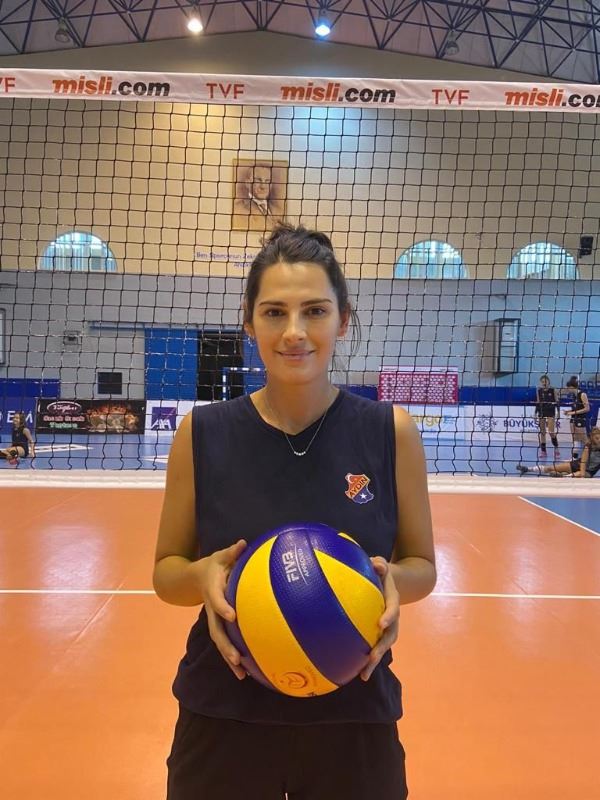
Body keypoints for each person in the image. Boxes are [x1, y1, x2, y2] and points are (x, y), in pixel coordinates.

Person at [154, 223, 436, 800]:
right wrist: (203, 575)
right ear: (249, 322)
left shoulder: (391, 431)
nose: (294, 332)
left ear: (343, 320)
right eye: (274, 312)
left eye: (315, 311)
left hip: (354, 711)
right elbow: (166, 572)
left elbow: (422, 566)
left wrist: (389, 584)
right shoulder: (202, 433)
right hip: (223, 711)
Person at [517, 426, 600, 477]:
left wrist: (582, 474)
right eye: (597, 438)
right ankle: (528, 469)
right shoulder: (588, 447)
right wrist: (582, 474)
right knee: (550, 468)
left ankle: (564, 476)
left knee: (581, 474)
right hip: (577, 465)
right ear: (592, 438)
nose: (599, 440)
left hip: (589, 472)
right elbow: (583, 463)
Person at [233, 163, 284, 230]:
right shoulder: (238, 209)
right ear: (247, 183)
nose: (263, 186)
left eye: (267, 181)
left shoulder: (279, 211)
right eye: (258, 180)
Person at [563, 375, 590, 458]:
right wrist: (569, 412)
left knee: (584, 439)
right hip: (574, 419)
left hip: (580, 419)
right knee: (575, 438)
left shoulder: (582, 394)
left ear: (571, 387)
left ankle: (592, 456)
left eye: (568, 388)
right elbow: (576, 408)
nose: (567, 390)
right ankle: (575, 458)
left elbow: (587, 408)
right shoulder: (574, 396)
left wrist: (573, 412)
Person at [534, 374, 559, 457]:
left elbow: (557, 402)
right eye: (542, 382)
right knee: (542, 432)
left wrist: (558, 412)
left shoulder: (553, 390)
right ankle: (543, 451)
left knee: (551, 432)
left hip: (551, 411)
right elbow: (538, 402)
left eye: (545, 381)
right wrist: (535, 413)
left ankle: (556, 448)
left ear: (548, 381)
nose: (544, 383)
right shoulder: (539, 390)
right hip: (542, 411)